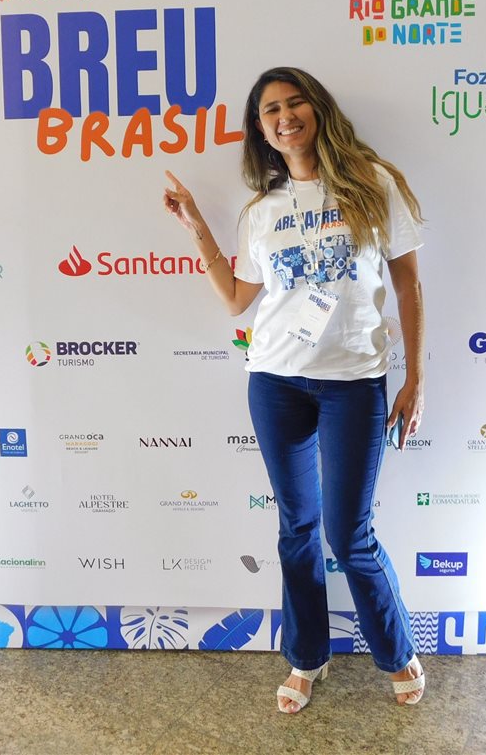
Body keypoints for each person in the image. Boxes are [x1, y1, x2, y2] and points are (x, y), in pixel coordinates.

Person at [162, 66, 427, 713]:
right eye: (269, 109)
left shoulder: (373, 183)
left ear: (317, 108)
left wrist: (414, 376)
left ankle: (396, 650)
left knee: (349, 534)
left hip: (354, 382)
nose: (283, 116)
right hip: (275, 381)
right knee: (296, 529)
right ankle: (308, 656)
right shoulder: (262, 212)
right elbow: (235, 299)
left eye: (293, 101)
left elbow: (409, 285)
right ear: (261, 129)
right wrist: (198, 224)